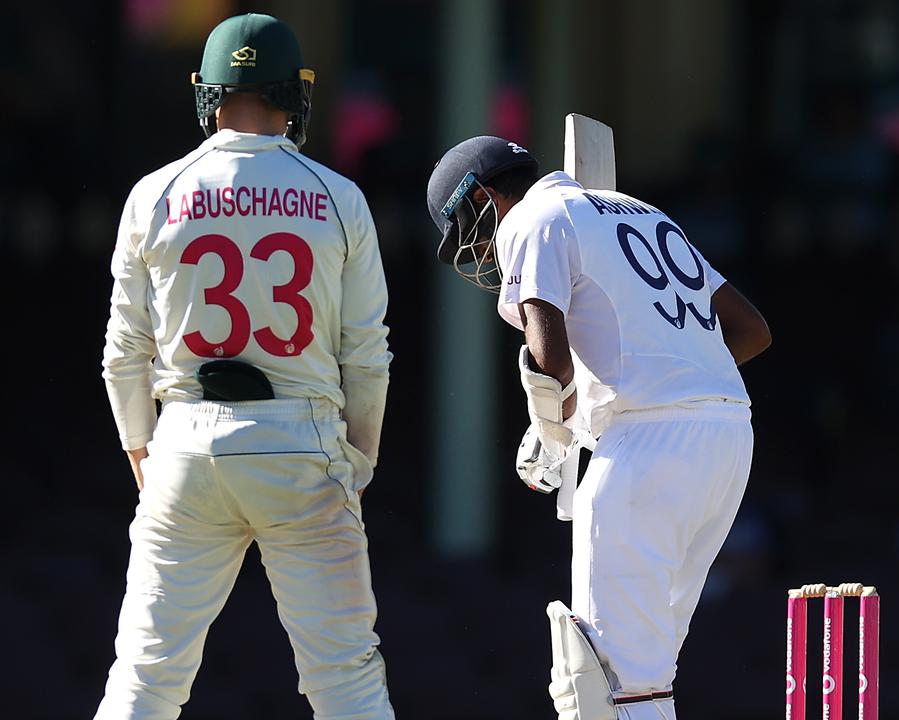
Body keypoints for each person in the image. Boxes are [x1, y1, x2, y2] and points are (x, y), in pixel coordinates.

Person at [95, 13, 395, 719]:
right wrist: (360, 458)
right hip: (303, 443)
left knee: (146, 675)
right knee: (346, 679)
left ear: (211, 93)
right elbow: (367, 354)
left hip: (187, 438)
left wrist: (144, 446)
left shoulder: (156, 192)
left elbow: (123, 352)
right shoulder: (336, 195)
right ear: (293, 93)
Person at [426, 135, 770, 719]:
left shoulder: (532, 218)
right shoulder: (639, 209)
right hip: (728, 435)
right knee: (647, 677)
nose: (481, 250)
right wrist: (659, 383)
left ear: (483, 197)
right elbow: (752, 330)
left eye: (470, 229)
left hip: (646, 450)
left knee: (598, 679)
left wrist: (551, 429)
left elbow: (548, 356)